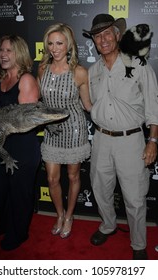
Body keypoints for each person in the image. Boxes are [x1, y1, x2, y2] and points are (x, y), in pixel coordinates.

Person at [83, 14, 158, 259]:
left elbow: (153, 107)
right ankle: (108, 225)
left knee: (135, 197)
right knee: (100, 189)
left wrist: (153, 141)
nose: (102, 39)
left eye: (107, 33)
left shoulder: (139, 65)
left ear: (117, 35)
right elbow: (89, 104)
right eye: (97, 35)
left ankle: (138, 244)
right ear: (93, 40)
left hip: (131, 140)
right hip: (102, 139)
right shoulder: (92, 71)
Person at [0, 35, 41, 250]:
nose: (3, 54)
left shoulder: (26, 79)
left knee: (19, 193)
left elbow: (24, 121)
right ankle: (4, 223)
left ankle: (19, 233)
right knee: (0, 190)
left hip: (22, 146)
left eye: (9, 50)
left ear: (19, 53)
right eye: (1, 50)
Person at [37, 23, 92, 238]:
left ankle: (69, 215)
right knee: (51, 179)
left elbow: (87, 106)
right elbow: (38, 101)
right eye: (50, 43)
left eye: (59, 43)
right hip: (51, 131)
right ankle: (59, 214)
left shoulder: (79, 72)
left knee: (73, 176)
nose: (54, 48)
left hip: (75, 131)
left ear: (68, 45)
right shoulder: (42, 68)